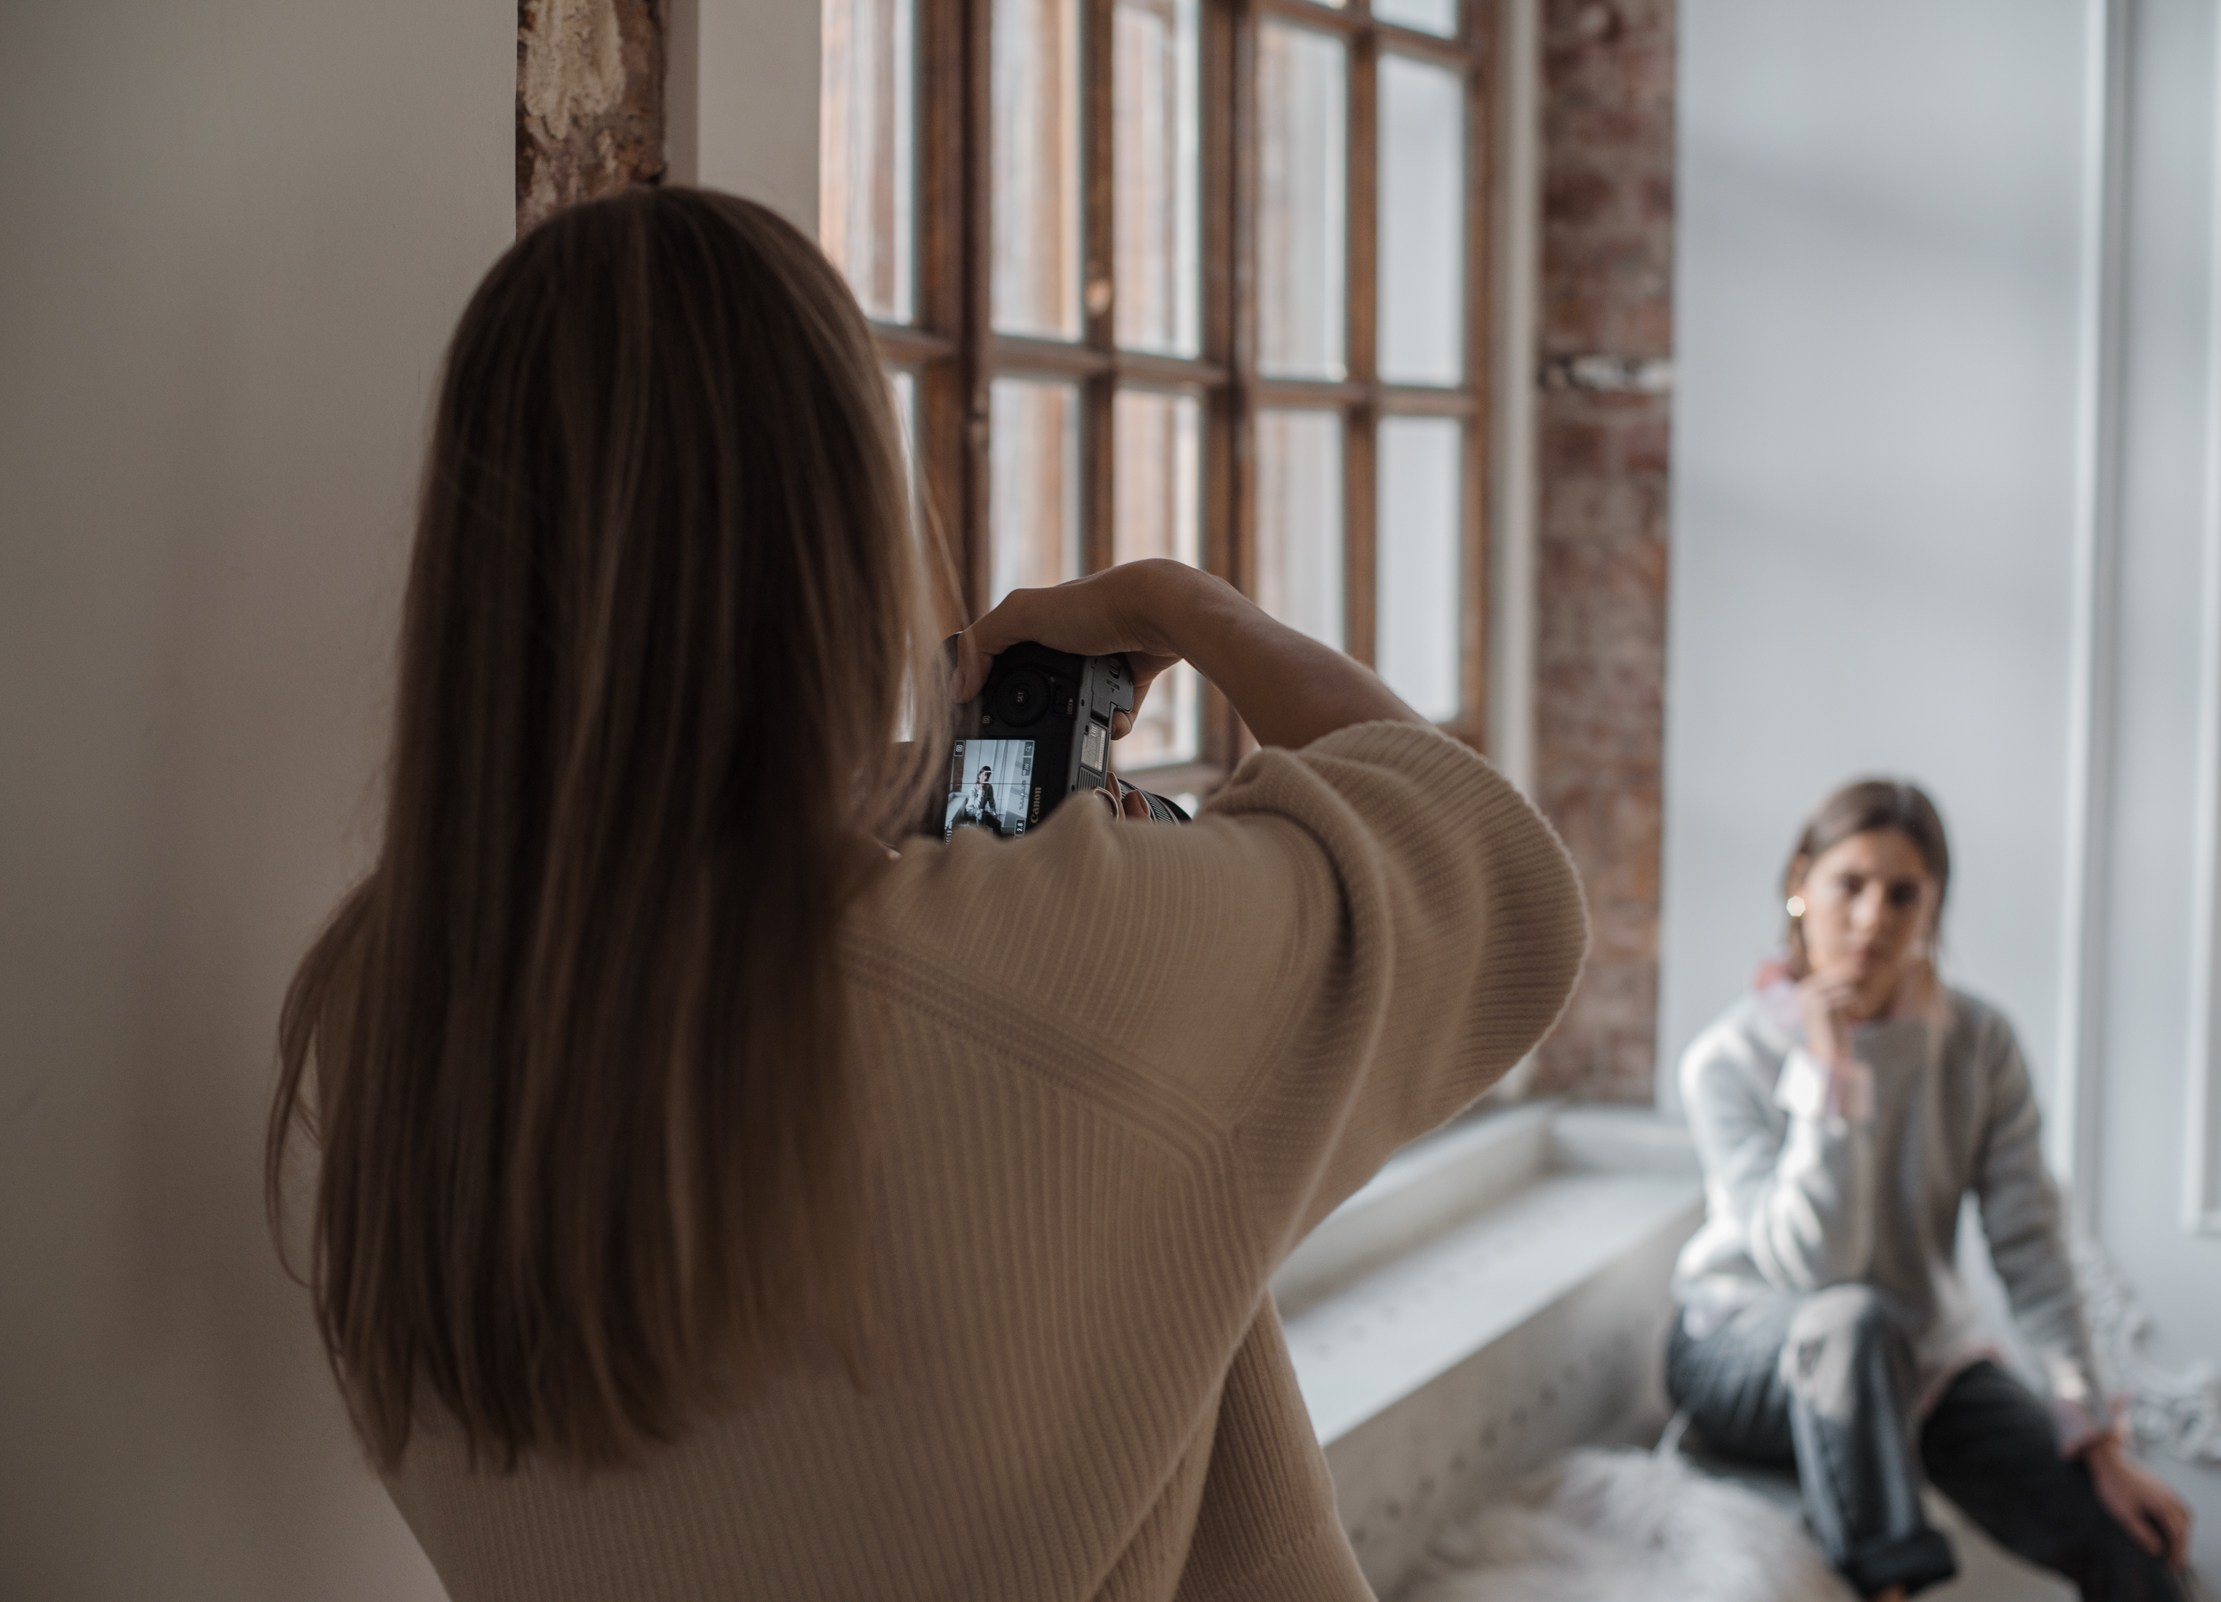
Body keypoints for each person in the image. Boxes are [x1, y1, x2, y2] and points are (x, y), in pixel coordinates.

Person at [264, 187, 1587, 1602]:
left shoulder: (376, 1009)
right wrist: (1183, 604)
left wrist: (849, 810)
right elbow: (1496, 874)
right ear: (845, 546)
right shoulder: (1065, 960)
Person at [1664, 780, 2194, 1601]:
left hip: (1919, 1361)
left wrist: (2098, 1447)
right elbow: (1814, 1267)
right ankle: (1891, 1588)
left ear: (1932, 908)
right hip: (1747, 1345)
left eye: (1903, 894)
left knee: (2137, 1550)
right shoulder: (1726, 1062)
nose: (1874, 917)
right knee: (1852, 1320)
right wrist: (1830, 1075)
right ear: (1800, 883)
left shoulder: (1977, 1044)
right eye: (1851, 884)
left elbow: (2031, 1248)